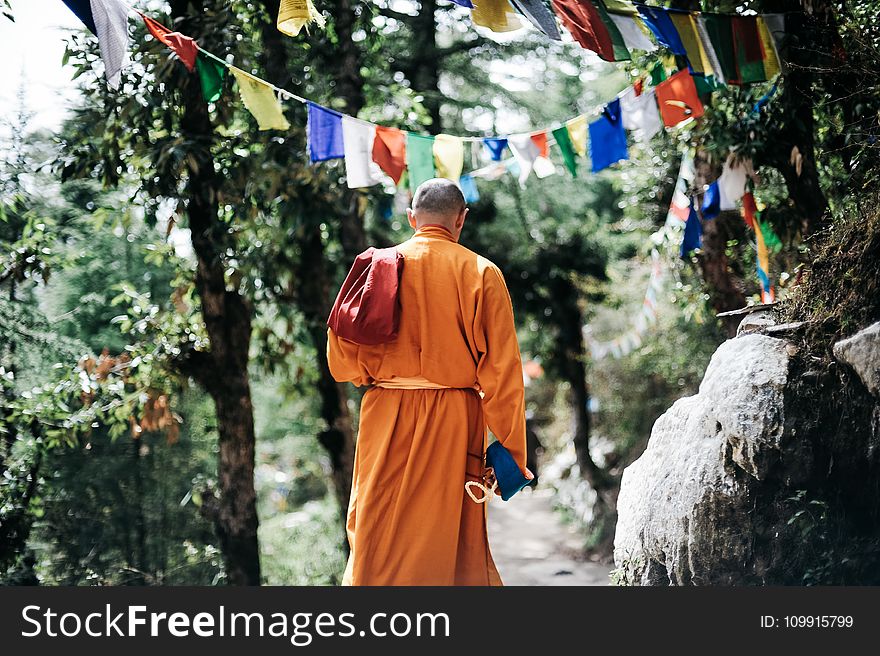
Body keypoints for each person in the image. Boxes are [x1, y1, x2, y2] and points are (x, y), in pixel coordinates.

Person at [327, 178, 531, 586]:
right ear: (461, 220)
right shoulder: (481, 272)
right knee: (450, 538)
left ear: (411, 218)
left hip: (385, 414)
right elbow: (503, 374)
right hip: (454, 420)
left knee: (377, 527)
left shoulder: (375, 268)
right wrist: (511, 456)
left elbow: (341, 362)